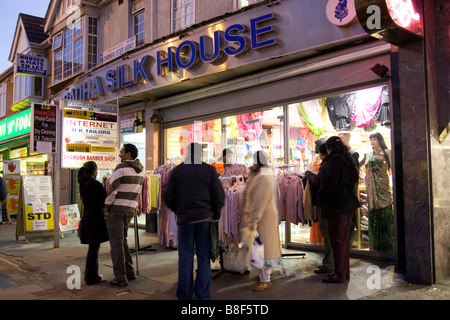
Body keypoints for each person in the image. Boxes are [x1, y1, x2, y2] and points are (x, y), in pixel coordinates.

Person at [163, 142, 225, 300]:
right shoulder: (208, 170)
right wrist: (215, 214)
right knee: (203, 256)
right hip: (205, 218)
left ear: (187, 153)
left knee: (185, 257)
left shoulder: (177, 171)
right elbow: (219, 195)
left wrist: (179, 211)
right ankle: (202, 294)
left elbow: (168, 196)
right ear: (200, 154)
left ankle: (184, 294)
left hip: (185, 220)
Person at [306, 136, 360, 283]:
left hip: (336, 206)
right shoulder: (347, 159)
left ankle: (338, 274)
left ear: (329, 148)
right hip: (348, 205)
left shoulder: (332, 162)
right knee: (343, 241)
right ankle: (343, 272)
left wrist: (309, 175)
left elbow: (325, 183)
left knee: (337, 241)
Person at [105, 144, 145, 287]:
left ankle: (120, 278)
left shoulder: (121, 168)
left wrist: (107, 206)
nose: (119, 154)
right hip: (130, 209)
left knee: (116, 243)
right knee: (123, 241)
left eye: (122, 152)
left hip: (116, 209)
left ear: (128, 154)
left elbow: (112, 189)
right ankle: (129, 272)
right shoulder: (141, 170)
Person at [240, 151, 281, 291]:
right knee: (260, 250)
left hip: (262, 219)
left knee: (263, 251)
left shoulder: (264, 177)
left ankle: (265, 280)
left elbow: (259, 202)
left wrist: (253, 221)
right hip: (262, 218)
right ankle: (264, 277)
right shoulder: (262, 174)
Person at [77, 161, 109, 285]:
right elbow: (104, 200)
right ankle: (92, 277)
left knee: (93, 249)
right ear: (94, 171)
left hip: (88, 217)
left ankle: (91, 275)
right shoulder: (95, 185)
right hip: (95, 219)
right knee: (94, 249)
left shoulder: (83, 184)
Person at [307, 142, 334, 275]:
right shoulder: (339, 163)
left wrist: (309, 175)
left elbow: (320, 181)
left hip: (326, 203)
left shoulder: (328, 164)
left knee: (328, 234)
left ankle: (330, 264)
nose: (320, 157)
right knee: (330, 234)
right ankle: (331, 263)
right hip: (333, 204)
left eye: (321, 154)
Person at [364, 132, 394, 252]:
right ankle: (375, 245)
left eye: (375, 139)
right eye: (370, 139)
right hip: (372, 190)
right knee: (374, 216)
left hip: (383, 187)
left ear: (380, 140)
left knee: (385, 214)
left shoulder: (387, 152)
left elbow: (393, 168)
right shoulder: (369, 154)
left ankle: (389, 246)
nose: (372, 142)